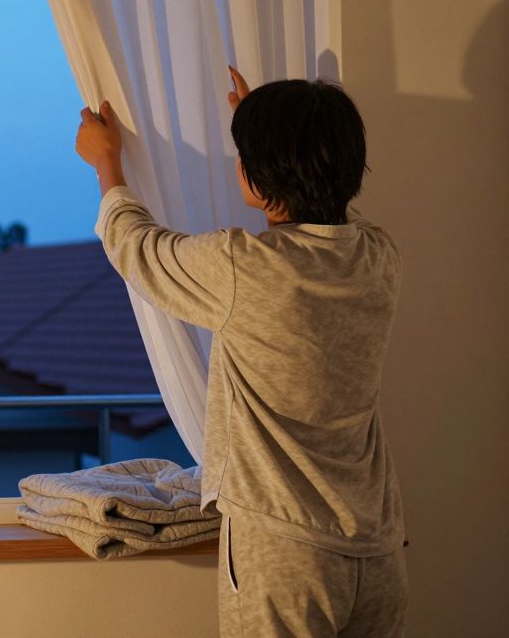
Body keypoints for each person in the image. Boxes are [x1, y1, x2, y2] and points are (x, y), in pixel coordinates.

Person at [74, 68, 408, 637]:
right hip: (377, 547)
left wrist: (107, 164)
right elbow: (330, 218)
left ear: (255, 176)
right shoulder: (377, 257)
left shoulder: (244, 268)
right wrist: (274, 135)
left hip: (286, 552)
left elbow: (136, 246)